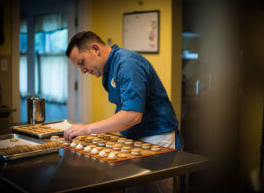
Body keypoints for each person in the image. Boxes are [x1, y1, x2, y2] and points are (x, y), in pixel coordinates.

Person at [64, 31, 182, 193]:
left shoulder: (128, 64)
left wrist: (87, 129)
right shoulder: (109, 69)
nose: (82, 71)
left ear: (95, 49)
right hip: (135, 138)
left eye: (82, 62)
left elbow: (132, 115)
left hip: (156, 138)